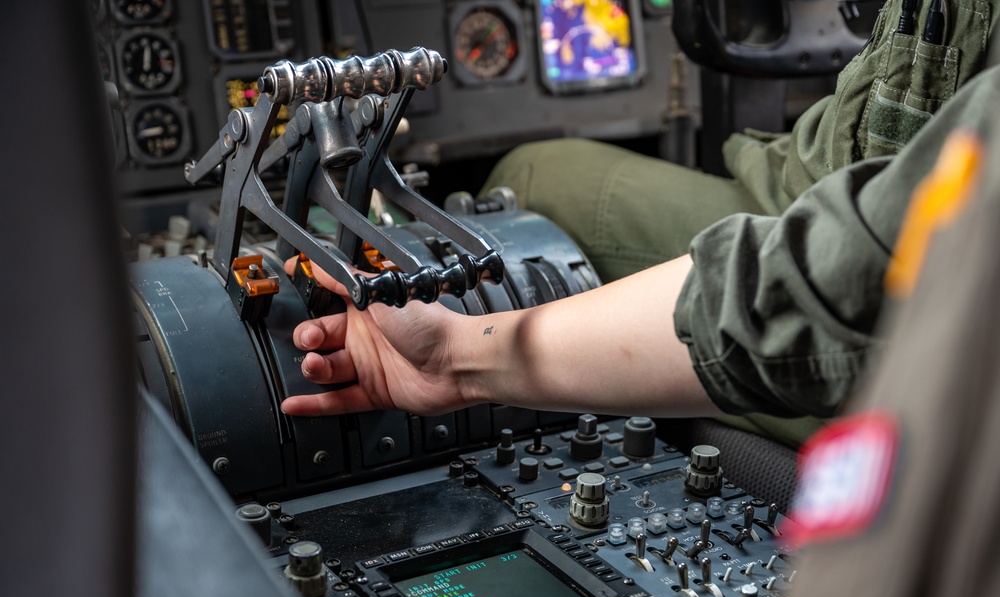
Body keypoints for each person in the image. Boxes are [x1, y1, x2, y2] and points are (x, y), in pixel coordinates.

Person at [281, 1, 1000, 438]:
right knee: (548, 172)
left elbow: (842, 285)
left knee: (536, 183)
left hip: (946, 324)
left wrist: (464, 356)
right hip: (853, 171)